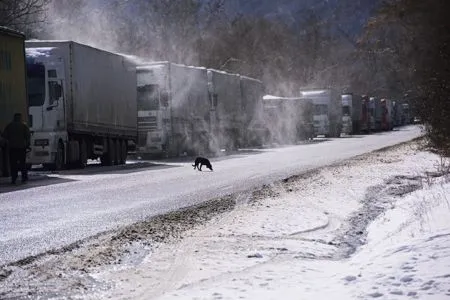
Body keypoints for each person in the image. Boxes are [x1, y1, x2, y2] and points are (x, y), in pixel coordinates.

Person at [2, 113, 31, 184]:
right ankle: (24, 178)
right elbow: (28, 136)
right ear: (20, 118)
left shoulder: (9, 126)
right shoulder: (24, 126)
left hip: (12, 148)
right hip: (21, 148)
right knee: (22, 164)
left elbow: (4, 136)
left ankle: (14, 179)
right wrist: (27, 145)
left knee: (13, 164)